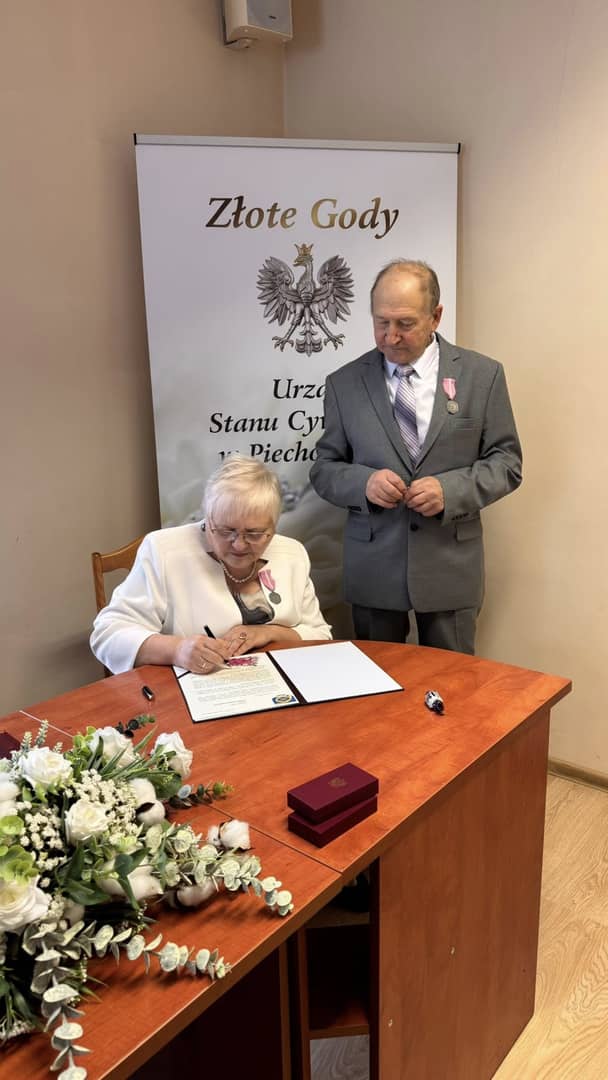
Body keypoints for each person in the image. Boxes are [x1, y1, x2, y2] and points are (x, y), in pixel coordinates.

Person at [309, 260, 522, 654]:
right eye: (381, 323)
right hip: (373, 567)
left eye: (405, 324)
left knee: (454, 684)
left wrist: (450, 491)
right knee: (375, 683)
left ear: (435, 317)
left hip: (450, 566)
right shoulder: (343, 383)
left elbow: (506, 462)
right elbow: (324, 469)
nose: (391, 337)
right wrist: (364, 483)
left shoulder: (482, 376)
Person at [91, 456, 332, 675]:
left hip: (278, 686)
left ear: (274, 527)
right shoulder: (164, 550)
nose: (239, 544)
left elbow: (320, 635)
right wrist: (176, 650)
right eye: (226, 531)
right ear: (207, 519)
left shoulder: (292, 553)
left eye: (255, 533)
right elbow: (108, 633)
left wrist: (268, 632)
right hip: (190, 692)